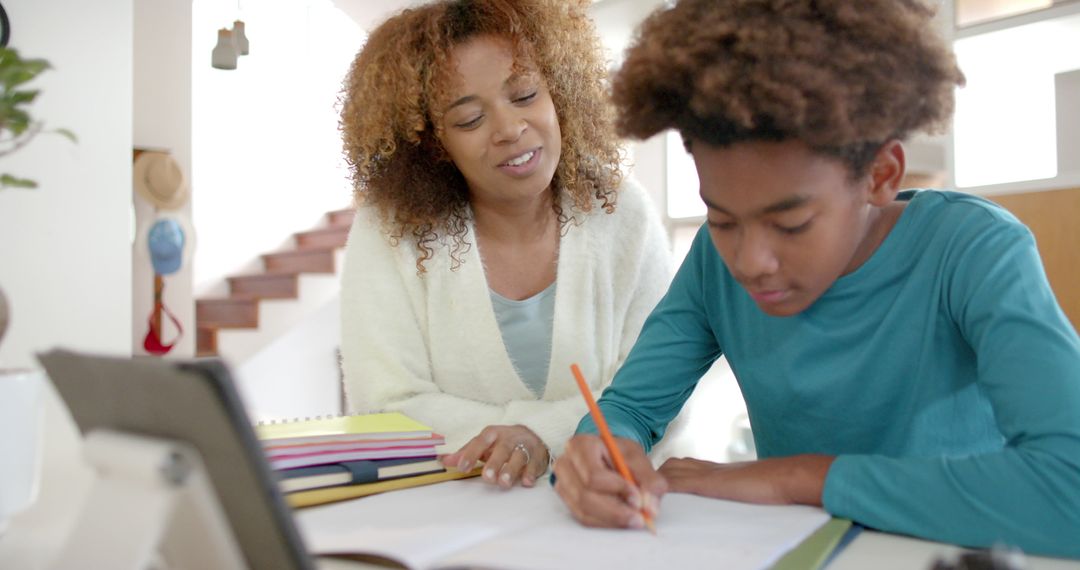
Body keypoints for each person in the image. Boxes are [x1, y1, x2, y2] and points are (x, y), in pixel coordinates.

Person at [553, 0, 1080, 558]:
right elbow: (629, 412)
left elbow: (1069, 488)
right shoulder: (713, 261)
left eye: (791, 223)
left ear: (881, 175)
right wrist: (596, 453)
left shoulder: (973, 250)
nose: (751, 260)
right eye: (722, 218)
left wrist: (798, 479)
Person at [339, 0, 671, 490]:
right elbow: (386, 405)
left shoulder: (623, 215)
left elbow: (658, 389)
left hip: (611, 508)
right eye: (470, 120)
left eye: (525, 95)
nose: (510, 130)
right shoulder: (390, 230)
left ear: (558, 90)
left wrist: (538, 435)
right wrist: (524, 439)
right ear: (432, 144)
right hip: (453, 524)